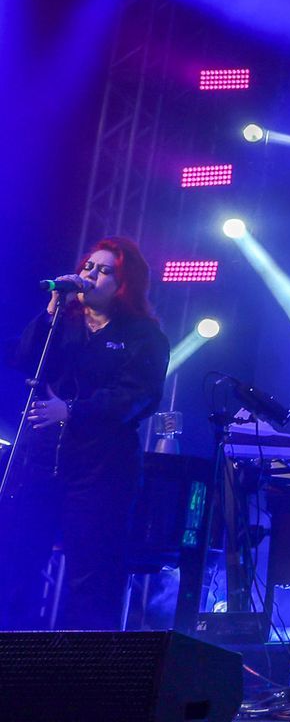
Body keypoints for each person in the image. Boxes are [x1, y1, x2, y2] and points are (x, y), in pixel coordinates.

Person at [1, 238, 168, 629]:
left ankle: (83, 660)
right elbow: (23, 357)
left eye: (104, 270)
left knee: (91, 575)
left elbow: (137, 396)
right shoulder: (63, 323)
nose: (90, 275)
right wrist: (50, 311)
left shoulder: (144, 336)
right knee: (17, 562)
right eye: (89, 266)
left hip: (100, 471)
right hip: (40, 462)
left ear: (124, 283)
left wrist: (72, 410)